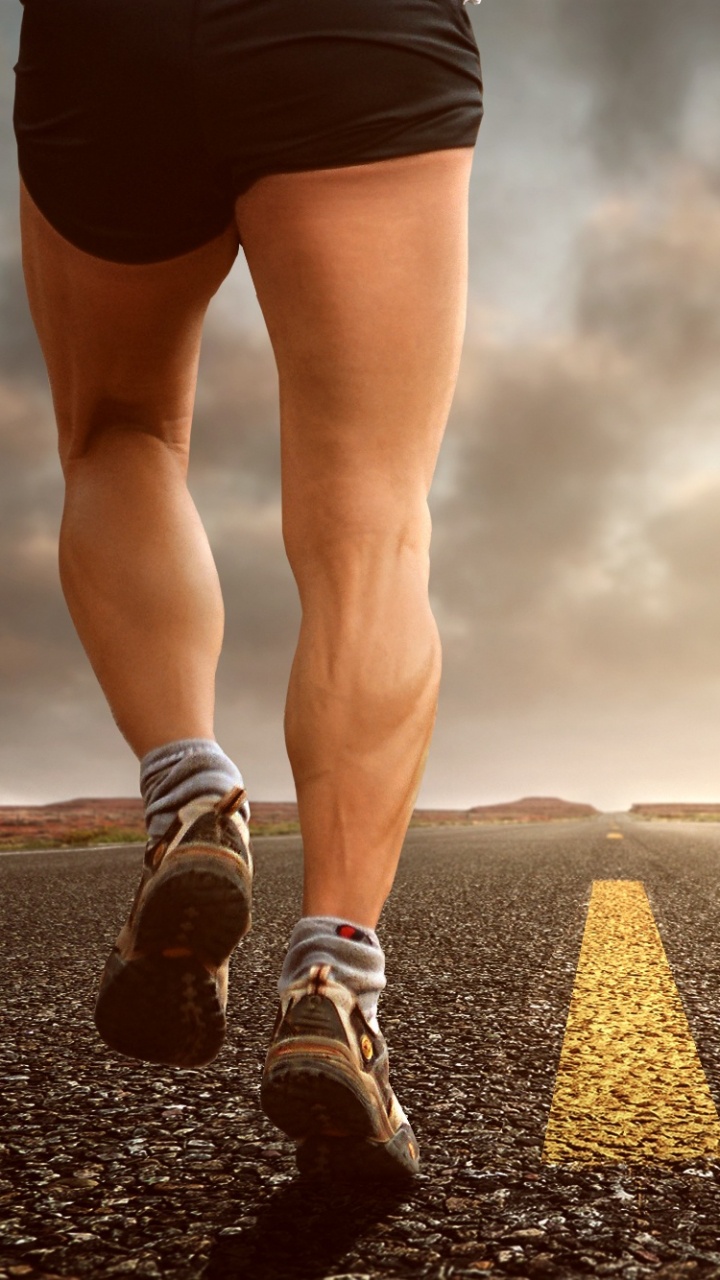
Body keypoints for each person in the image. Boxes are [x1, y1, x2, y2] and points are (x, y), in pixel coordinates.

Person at [13, 0, 483, 1181]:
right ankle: (334, 979)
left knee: (119, 433)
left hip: (104, 39)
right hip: (358, 38)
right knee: (372, 524)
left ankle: (191, 789)